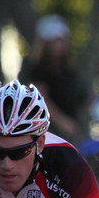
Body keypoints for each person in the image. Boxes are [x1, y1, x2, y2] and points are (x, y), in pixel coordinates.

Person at [20, 15, 90, 144]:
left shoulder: (68, 69)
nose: (59, 45)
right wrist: (63, 122)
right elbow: (40, 99)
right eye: (54, 41)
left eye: (61, 40)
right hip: (46, 132)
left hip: (71, 132)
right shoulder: (36, 69)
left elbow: (82, 97)